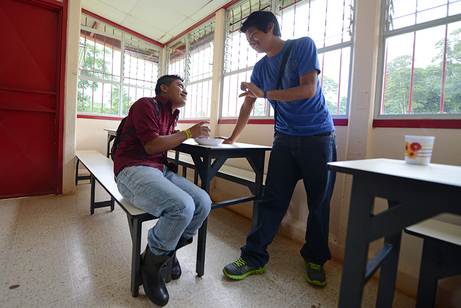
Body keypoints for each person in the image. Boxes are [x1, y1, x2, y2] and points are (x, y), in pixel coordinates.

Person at [221, 11, 337, 287]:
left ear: (270, 27)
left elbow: (308, 89)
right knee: (271, 200)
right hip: (284, 139)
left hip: (318, 136)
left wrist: (265, 94)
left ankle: (315, 259)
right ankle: (253, 257)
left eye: (254, 35)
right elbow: (248, 105)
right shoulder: (260, 69)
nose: (251, 41)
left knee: (319, 203)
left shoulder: (302, 46)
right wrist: (231, 139)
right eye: (248, 38)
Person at [114, 75, 212, 306]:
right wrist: (188, 133)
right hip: (132, 168)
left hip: (158, 169)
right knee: (182, 207)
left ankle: (160, 256)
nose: (185, 91)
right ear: (164, 88)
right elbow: (151, 145)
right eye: (180, 86)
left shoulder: (171, 115)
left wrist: (195, 135)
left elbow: (166, 142)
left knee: (203, 203)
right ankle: (150, 268)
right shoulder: (145, 105)